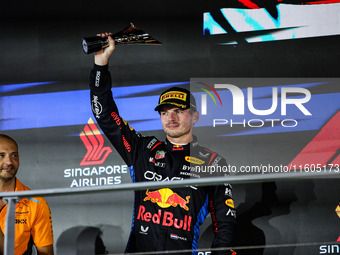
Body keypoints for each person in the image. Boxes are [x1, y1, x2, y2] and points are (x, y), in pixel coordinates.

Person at [89, 33, 237, 255]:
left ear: (195, 116)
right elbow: (105, 115)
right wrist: (101, 65)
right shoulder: (143, 149)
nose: (171, 118)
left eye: (179, 111)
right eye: (165, 112)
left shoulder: (213, 162)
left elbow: (225, 222)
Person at [0, 134, 54, 255]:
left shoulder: (35, 201)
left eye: (14, 155)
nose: (9, 162)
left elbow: (46, 252)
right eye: (1, 156)